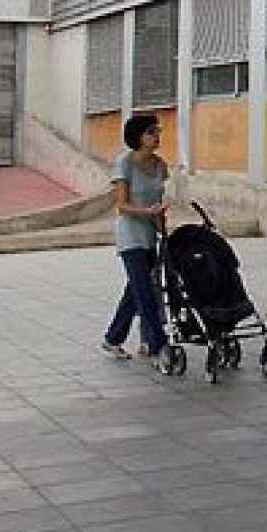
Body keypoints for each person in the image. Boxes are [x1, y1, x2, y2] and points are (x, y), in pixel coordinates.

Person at [100, 113, 171, 365]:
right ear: (138, 136)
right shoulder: (124, 162)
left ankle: (112, 337)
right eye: (151, 132)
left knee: (135, 290)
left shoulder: (161, 165)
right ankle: (157, 344)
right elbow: (121, 205)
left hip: (151, 234)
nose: (156, 136)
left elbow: (161, 201)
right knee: (145, 291)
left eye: (158, 131)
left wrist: (163, 228)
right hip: (130, 235)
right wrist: (147, 212)